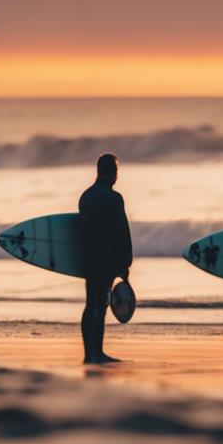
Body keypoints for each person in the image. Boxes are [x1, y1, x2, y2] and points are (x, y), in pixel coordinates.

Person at [78, 153, 132, 364]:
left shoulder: (86, 196)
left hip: (88, 259)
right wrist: (125, 262)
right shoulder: (114, 198)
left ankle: (87, 354)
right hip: (106, 260)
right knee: (100, 306)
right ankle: (97, 353)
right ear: (113, 173)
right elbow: (121, 232)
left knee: (90, 303)